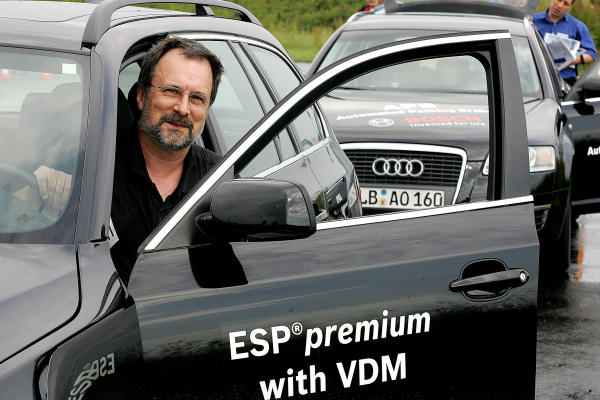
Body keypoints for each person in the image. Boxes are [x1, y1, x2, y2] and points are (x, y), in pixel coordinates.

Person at [109, 37, 224, 283]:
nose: (183, 108)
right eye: (172, 91)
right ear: (141, 95)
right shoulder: (94, 169)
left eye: (197, 98)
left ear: (207, 109)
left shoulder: (220, 182)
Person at [534, 0, 597, 86]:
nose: (560, 5)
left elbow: (592, 54)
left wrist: (570, 60)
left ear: (570, 6)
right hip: (536, 77)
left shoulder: (578, 26)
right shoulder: (532, 20)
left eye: (566, 4)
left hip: (565, 81)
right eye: (559, 0)